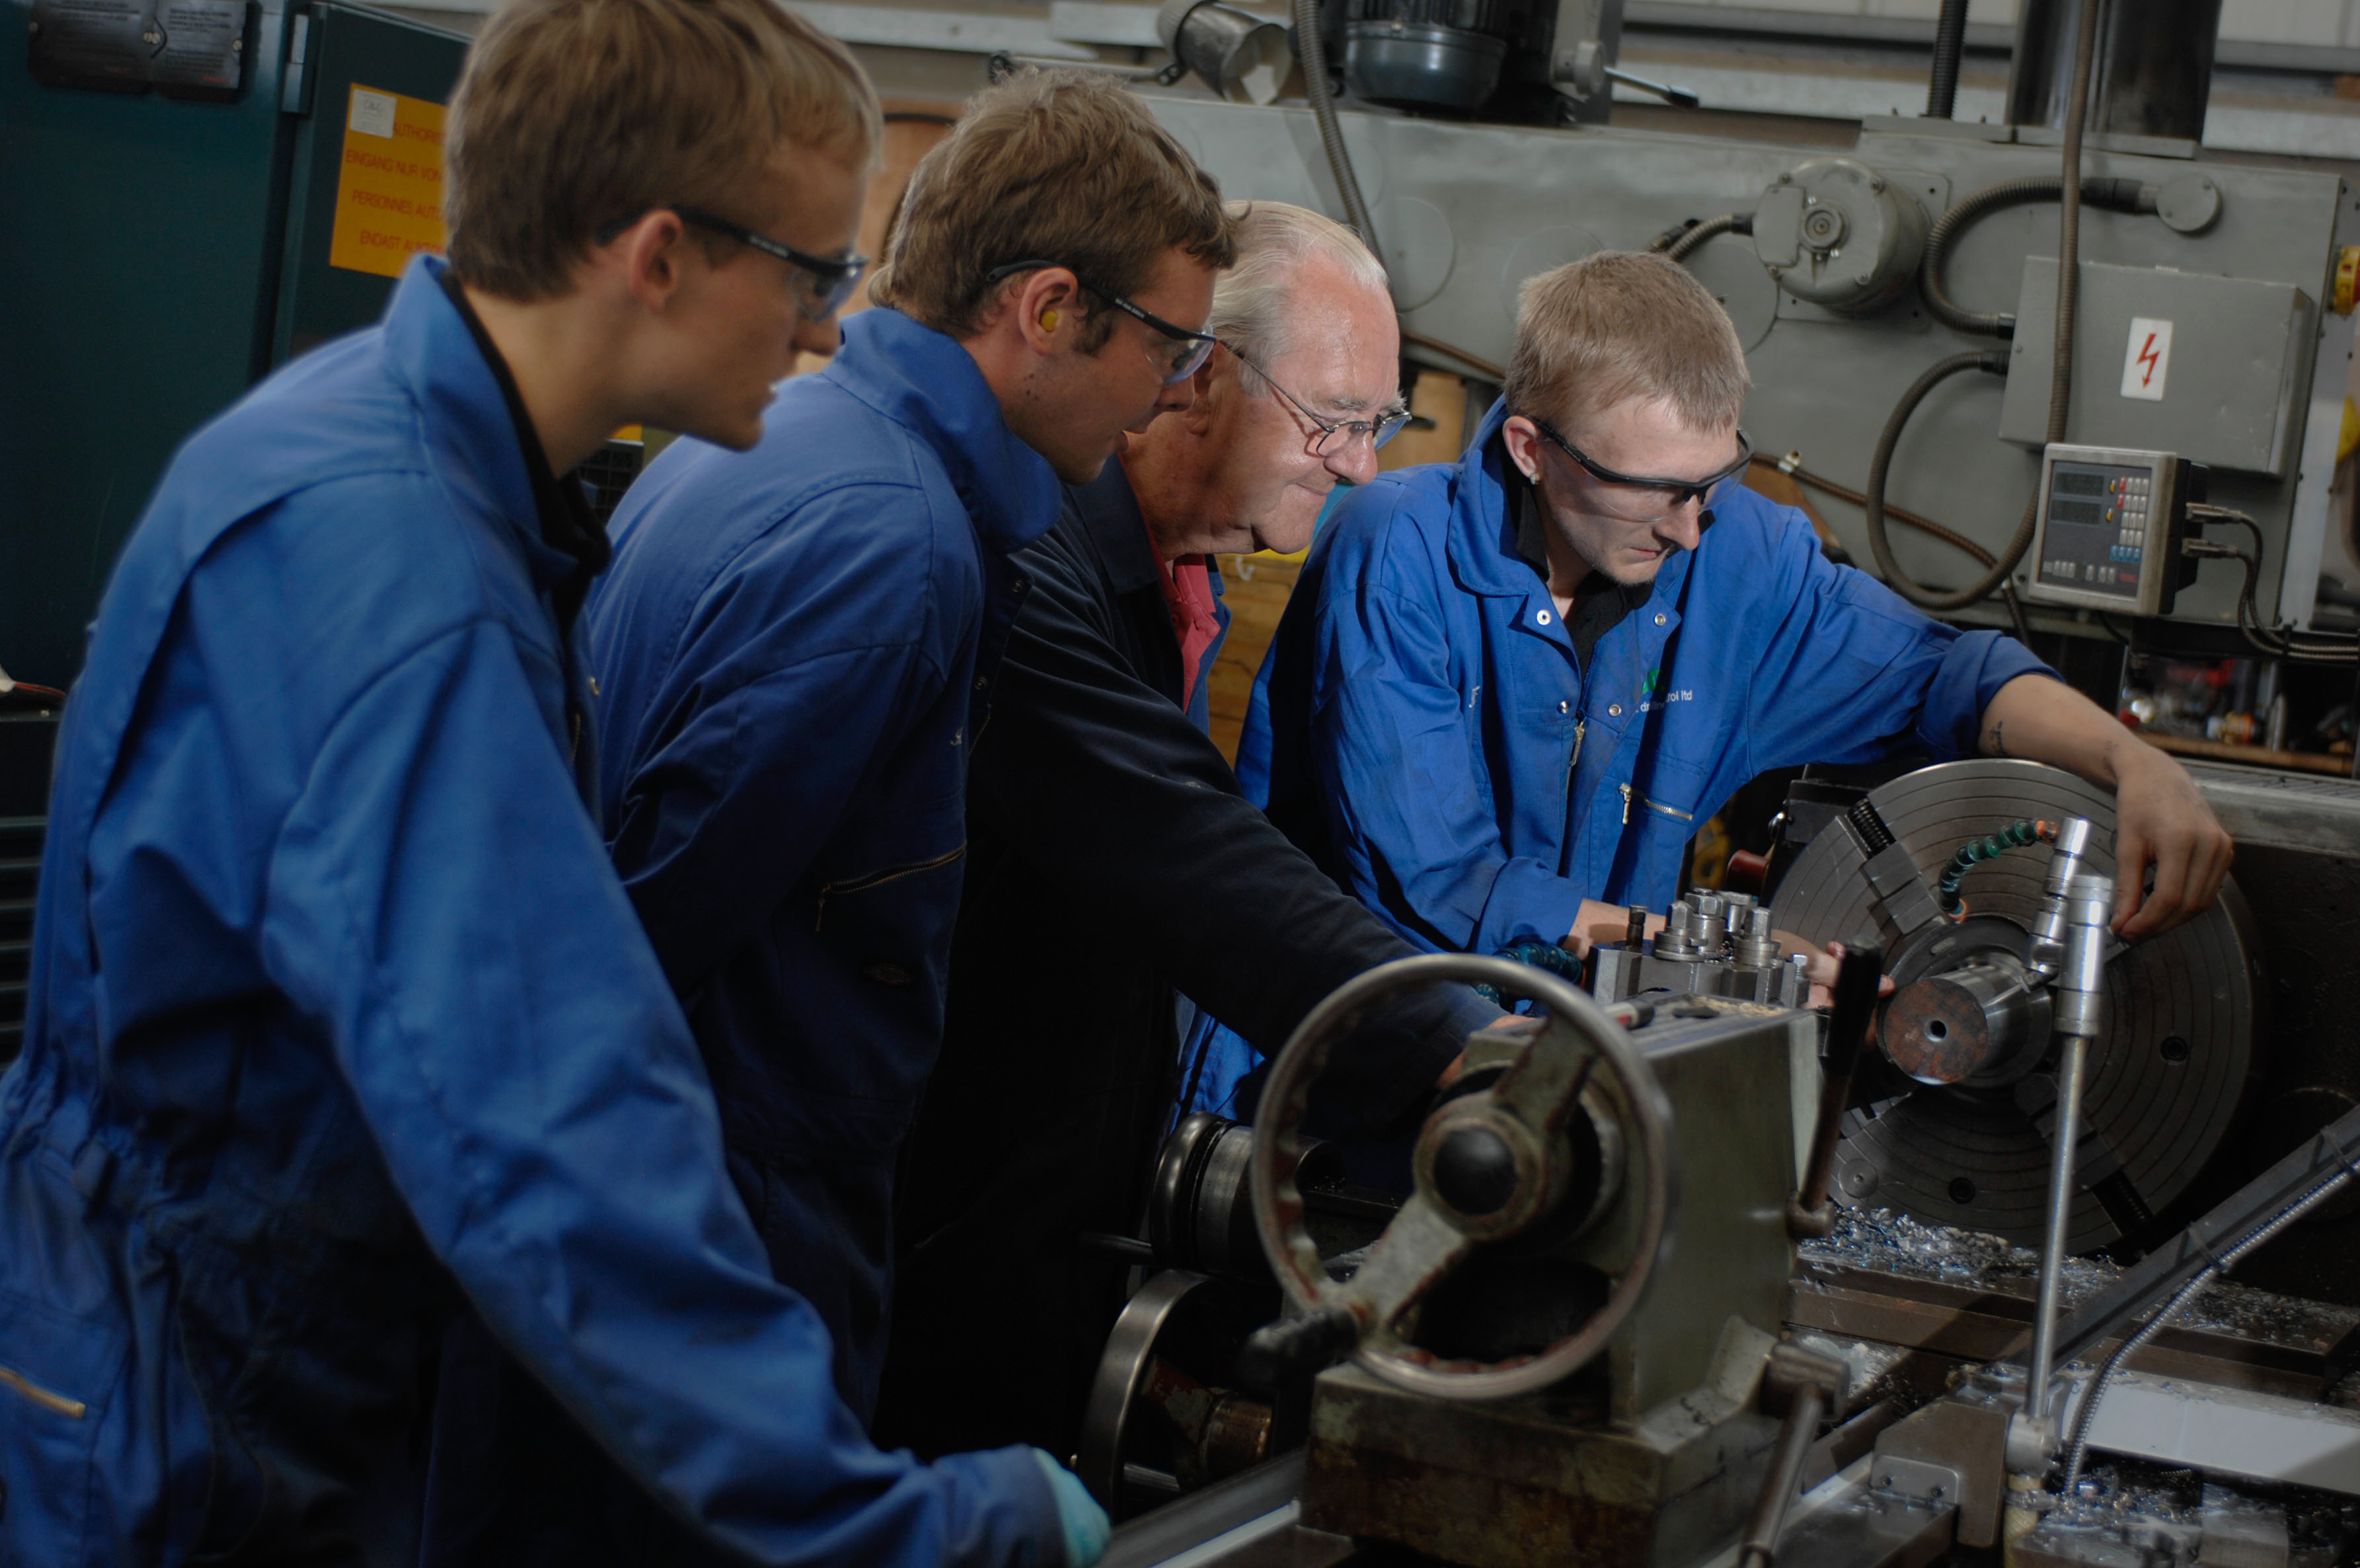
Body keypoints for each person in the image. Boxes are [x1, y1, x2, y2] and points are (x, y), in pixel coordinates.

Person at [0, 2, 1102, 1564]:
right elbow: (551, 1131)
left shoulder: (351, 440)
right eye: (808, 272)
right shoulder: (405, 576)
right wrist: (915, 1526)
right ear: (658, 256)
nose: (823, 331)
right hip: (212, 1408)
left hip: (176, 1335)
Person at [416, 69, 1230, 1565]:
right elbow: (645, 952)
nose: (1173, 391)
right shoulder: (894, 545)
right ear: (1049, 310)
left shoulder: (777, 439)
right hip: (713, 1232)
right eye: (1167, 345)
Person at [876, 202, 1503, 1464]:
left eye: (1379, 424)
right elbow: (1184, 853)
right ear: (1200, 376)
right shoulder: (1027, 561)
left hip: (1045, 1206)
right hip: (925, 1222)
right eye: (1332, 419)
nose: (1358, 467)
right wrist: (1460, 1047)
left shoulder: (1172, 580)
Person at [1245, 250, 2233, 976]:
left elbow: (1946, 677)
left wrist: (2131, 762)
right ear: (1531, 451)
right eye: (1653, 490)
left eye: (1711, 482)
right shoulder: (1397, 550)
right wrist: (1723, 959)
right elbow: (1442, 887)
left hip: (1580, 1058)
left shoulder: (1742, 558)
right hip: (1352, 1059)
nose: (1688, 529)